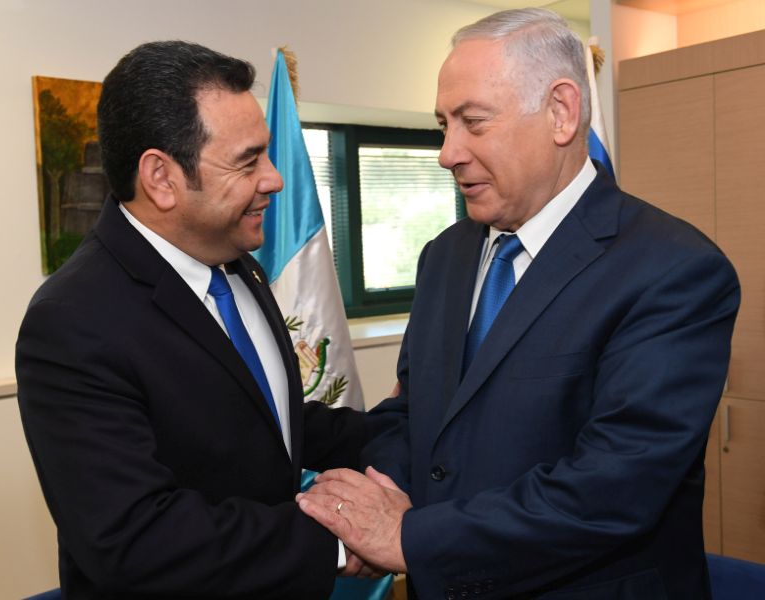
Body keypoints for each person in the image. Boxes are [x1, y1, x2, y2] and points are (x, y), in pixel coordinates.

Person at [297, 8, 740, 599]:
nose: (446, 152)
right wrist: (369, 499)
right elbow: (420, 417)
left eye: (472, 122)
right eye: (442, 125)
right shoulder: (444, 256)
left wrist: (408, 537)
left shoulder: (672, 269)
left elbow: (612, 488)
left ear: (561, 111)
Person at [16, 41, 370, 599]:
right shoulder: (72, 321)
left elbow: (264, 421)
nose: (274, 179)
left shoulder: (237, 264)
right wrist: (341, 542)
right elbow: (137, 539)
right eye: (248, 161)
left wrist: (415, 431)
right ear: (161, 177)